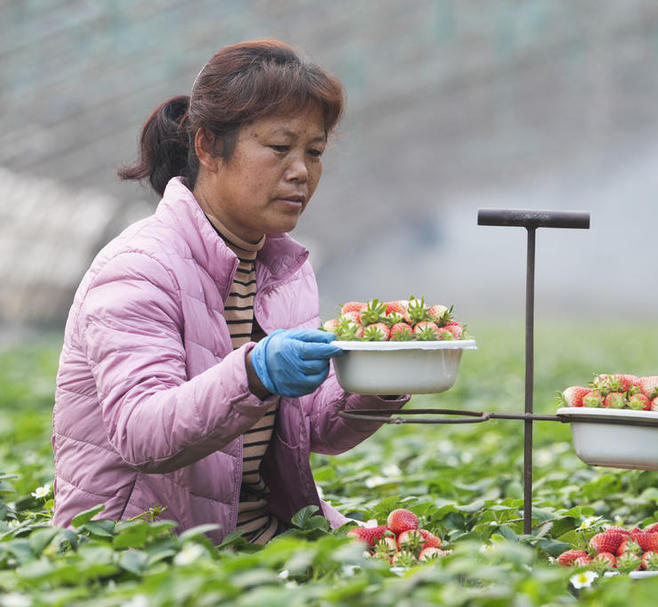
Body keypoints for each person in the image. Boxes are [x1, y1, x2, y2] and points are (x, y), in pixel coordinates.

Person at [52, 39, 407, 545]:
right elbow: (142, 432)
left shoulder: (284, 269)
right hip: (147, 553)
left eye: (315, 152)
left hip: (258, 541)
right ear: (207, 146)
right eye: (280, 148)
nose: (301, 171)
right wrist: (254, 373)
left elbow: (316, 431)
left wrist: (382, 374)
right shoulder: (140, 268)